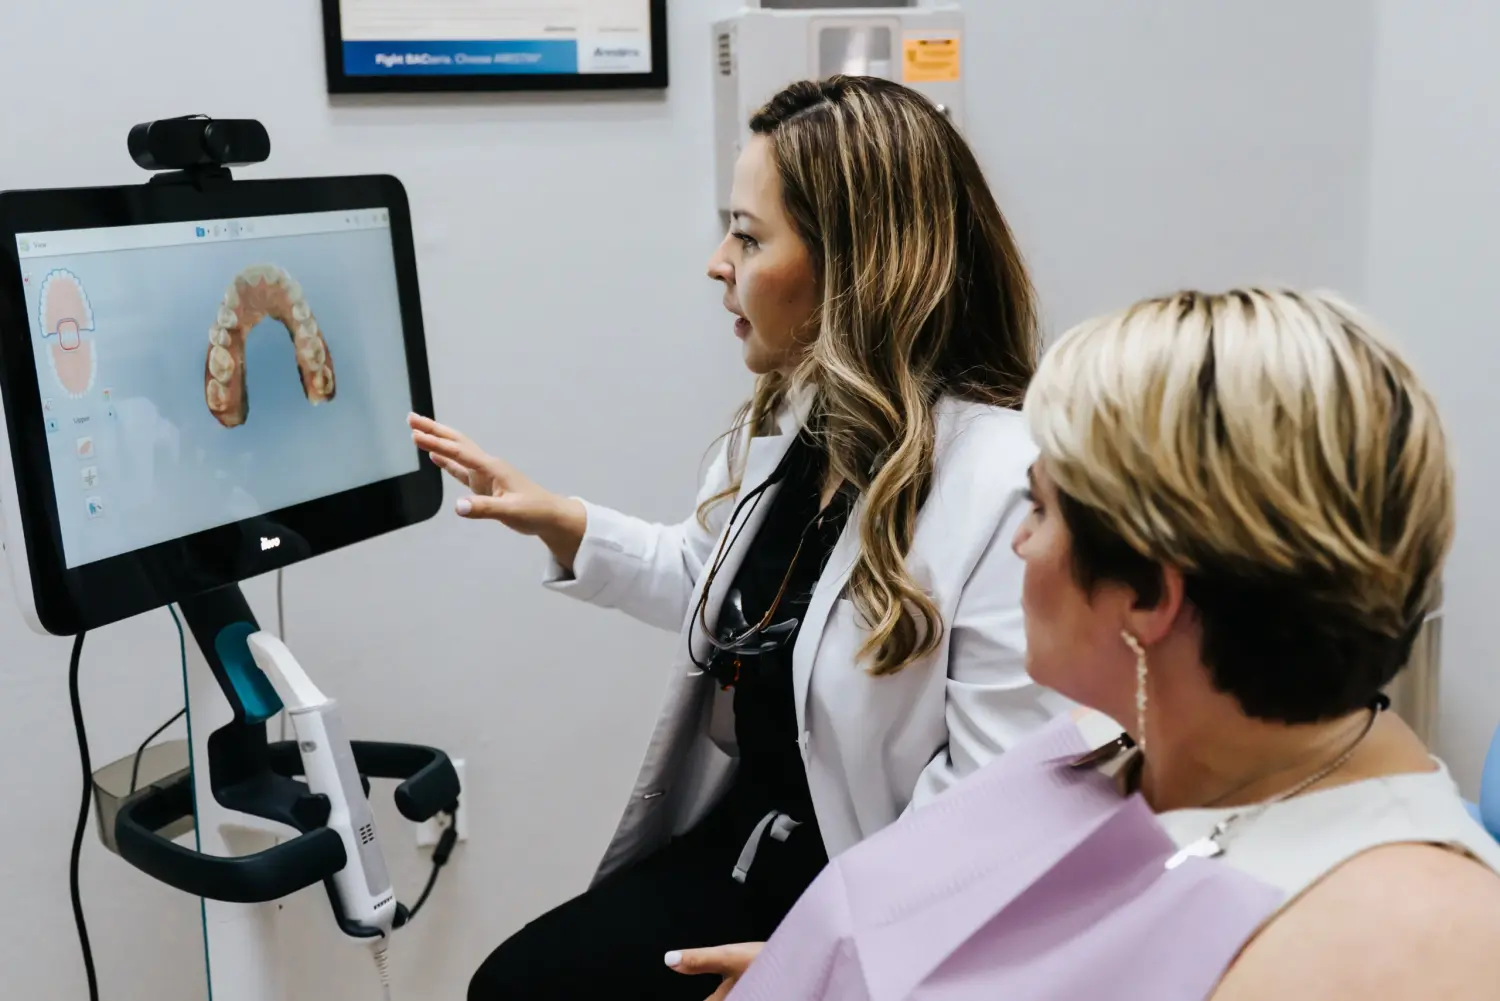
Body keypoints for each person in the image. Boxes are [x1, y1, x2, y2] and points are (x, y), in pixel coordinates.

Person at [410, 76, 1070, 1000]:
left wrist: (834, 963)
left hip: (881, 902)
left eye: (749, 237)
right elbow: (725, 587)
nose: (717, 263)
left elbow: (993, 811)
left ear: (856, 266)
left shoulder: (1006, 481)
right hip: (755, 844)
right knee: (516, 985)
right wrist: (563, 521)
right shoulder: (808, 427)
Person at [673, 288, 1500, 1000]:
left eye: (1041, 509)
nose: (1019, 543)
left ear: (1149, 595)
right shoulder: (1130, 743)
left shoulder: (1415, 946)